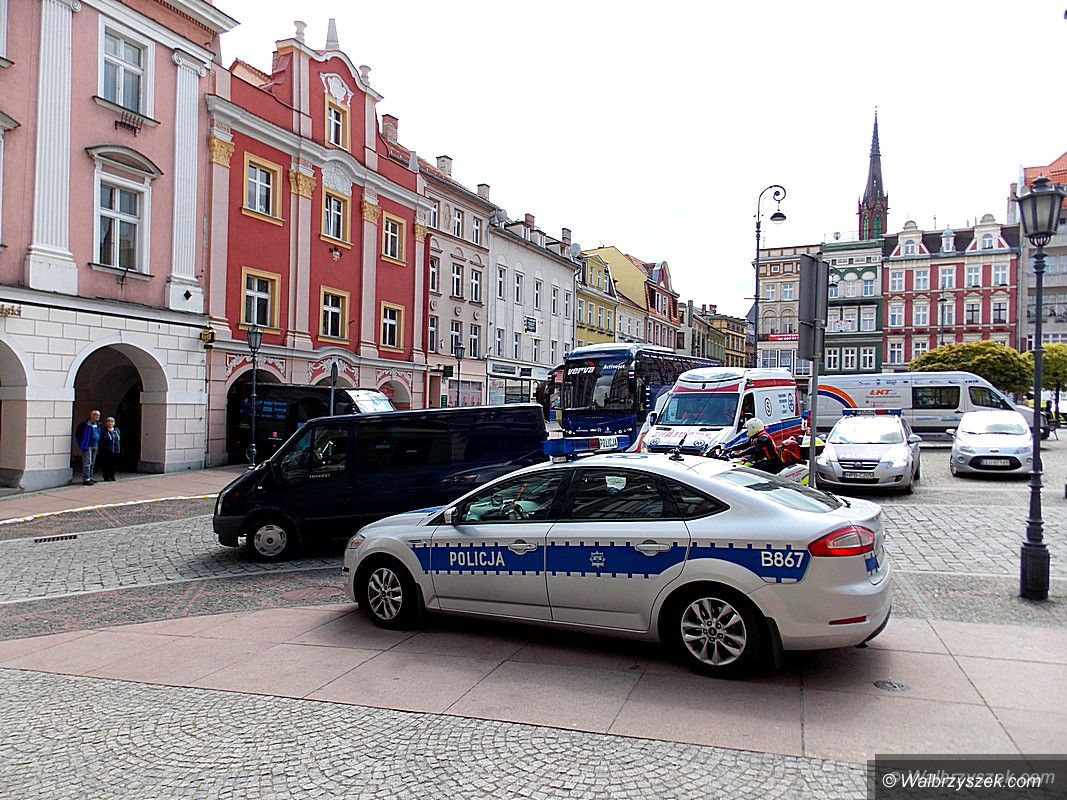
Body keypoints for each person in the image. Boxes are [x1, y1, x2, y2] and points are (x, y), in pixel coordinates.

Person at [74, 410, 101, 485]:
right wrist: (81, 444)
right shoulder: (84, 425)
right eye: (96, 415)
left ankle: (90, 477)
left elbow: (98, 433)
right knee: (87, 462)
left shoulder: (98, 424)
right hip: (87, 445)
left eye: (98, 415)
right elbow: (78, 435)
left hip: (95, 445)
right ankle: (86, 479)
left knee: (92, 462)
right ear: (92, 415)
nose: (98, 417)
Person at [98, 416, 122, 482]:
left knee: (113, 464)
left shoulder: (117, 430)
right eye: (108, 421)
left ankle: (112, 475)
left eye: (112, 421)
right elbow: (101, 440)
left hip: (115, 450)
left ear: (114, 423)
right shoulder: (103, 431)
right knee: (106, 464)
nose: (110, 423)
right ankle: (106, 476)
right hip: (106, 451)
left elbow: (118, 439)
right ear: (106, 423)